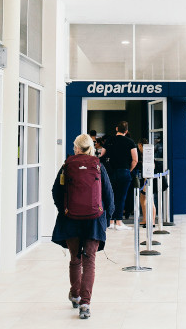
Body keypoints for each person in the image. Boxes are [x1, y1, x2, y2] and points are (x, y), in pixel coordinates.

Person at [51, 134, 114, 320]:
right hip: (94, 220)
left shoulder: (67, 166)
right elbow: (109, 196)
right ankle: (85, 304)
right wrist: (106, 219)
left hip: (71, 219)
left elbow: (56, 191)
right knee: (90, 261)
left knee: (75, 259)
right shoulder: (98, 166)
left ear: (77, 148)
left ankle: (75, 295)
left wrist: (64, 210)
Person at [98, 121, 137, 230]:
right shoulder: (130, 142)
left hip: (110, 173)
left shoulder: (109, 140)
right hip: (124, 172)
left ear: (116, 129)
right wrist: (128, 170)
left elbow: (102, 156)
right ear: (126, 131)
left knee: (110, 196)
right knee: (121, 197)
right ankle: (119, 222)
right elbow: (135, 159)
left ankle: (110, 221)